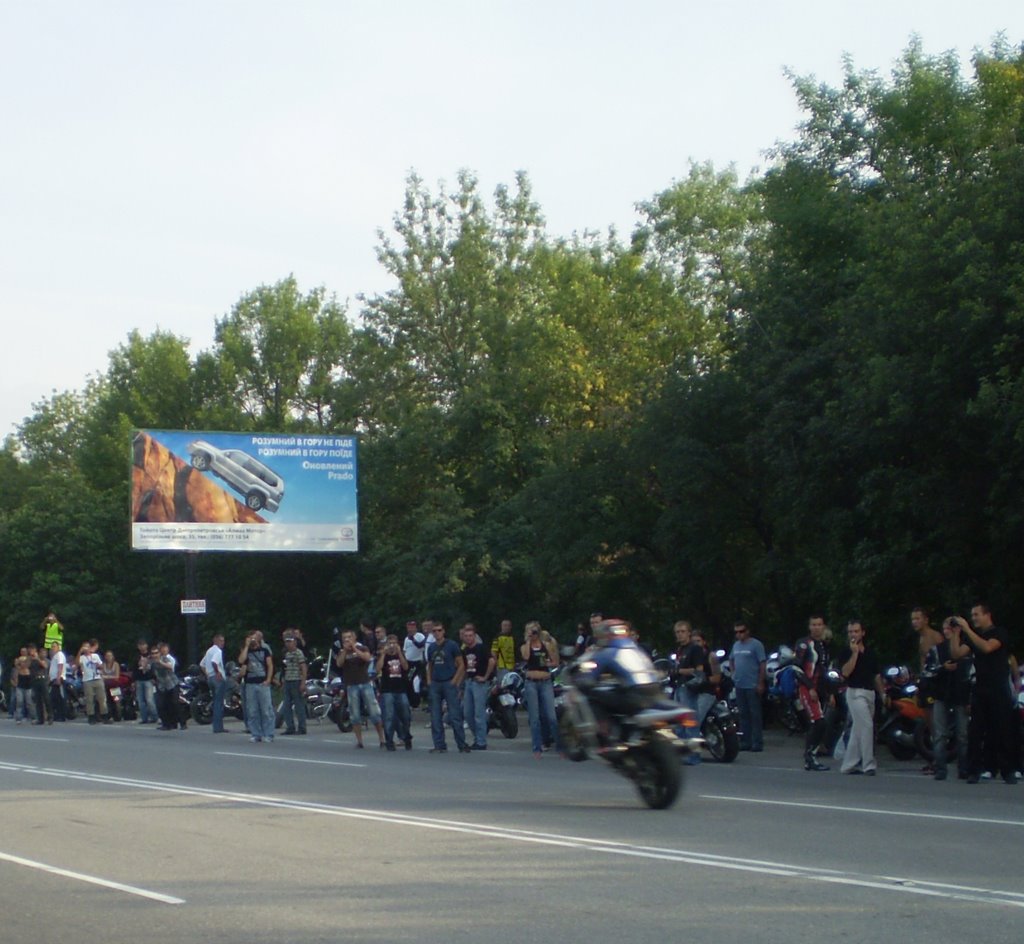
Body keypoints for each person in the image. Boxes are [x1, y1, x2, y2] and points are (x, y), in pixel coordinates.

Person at [949, 604, 1017, 784]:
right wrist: (955, 633)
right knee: (976, 730)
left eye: (977, 614)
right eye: (972, 615)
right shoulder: (973, 636)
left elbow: (987, 647)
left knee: (1002, 729)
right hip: (980, 687)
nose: (974, 618)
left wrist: (967, 629)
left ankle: (1007, 770)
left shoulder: (999, 632)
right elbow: (957, 653)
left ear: (987, 615)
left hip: (998, 687)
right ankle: (974, 770)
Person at [836, 620, 886, 775]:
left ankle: (848, 765)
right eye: (850, 632)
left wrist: (882, 693)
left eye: (856, 631)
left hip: (869, 693)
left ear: (862, 633)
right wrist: (854, 653)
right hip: (855, 693)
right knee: (866, 727)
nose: (853, 634)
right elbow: (845, 672)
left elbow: (876, 675)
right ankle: (868, 764)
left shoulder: (870, 653)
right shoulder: (846, 652)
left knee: (859, 729)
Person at [924, 618, 971, 781]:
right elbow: (927, 672)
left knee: (963, 734)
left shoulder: (966, 649)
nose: (947, 631)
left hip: (961, 696)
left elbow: (972, 675)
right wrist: (943, 668)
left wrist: (970, 698)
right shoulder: (936, 650)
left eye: (951, 627)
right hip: (941, 695)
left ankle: (964, 768)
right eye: (945, 628)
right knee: (939, 734)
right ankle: (940, 768)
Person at [334, 630, 385, 749]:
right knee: (354, 714)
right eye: (344, 638)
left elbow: (367, 658)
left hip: (365, 683)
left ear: (354, 638)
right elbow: (339, 664)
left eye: (349, 637)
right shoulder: (343, 652)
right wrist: (345, 651)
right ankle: (360, 741)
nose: (347, 640)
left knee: (374, 712)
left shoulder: (362, 647)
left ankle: (382, 739)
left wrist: (355, 649)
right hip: (351, 685)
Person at [795, 615, 832, 771]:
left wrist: (830, 692)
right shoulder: (804, 644)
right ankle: (810, 757)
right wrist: (810, 687)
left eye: (819, 625)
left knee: (820, 722)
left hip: (820, 689)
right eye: (813, 625)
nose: (817, 627)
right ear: (809, 627)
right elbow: (797, 668)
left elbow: (824, 670)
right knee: (818, 722)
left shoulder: (823, 645)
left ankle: (811, 756)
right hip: (807, 688)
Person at [425, 622, 469, 754]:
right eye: (434, 631)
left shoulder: (452, 645)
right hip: (436, 682)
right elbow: (430, 665)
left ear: (443, 631)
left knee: (455, 715)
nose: (437, 633)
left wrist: (455, 681)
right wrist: (429, 681)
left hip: (449, 681)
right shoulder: (431, 647)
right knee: (435, 716)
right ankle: (439, 745)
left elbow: (461, 664)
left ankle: (462, 744)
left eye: (439, 630)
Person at [521, 621, 560, 759]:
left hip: (545, 681)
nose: (533, 634)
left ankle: (560, 746)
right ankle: (537, 747)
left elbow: (555, 662)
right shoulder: (525, 646)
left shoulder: (546, 645)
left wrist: (546, 662)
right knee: (535, 717)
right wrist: (527, 640)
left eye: (535, 631)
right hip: (531, 682)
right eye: (530, 631)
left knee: (551, 716)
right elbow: (525, 657)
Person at [728, 621, 766, 752]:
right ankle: (745, 741)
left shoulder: (756, 644)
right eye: (736, 632)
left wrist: (760, 682)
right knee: (743, 714)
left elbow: (762, 663)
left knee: (755, 714)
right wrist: (733, 673)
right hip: (740, 684)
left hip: (752, 684)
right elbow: (731, 659)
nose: (739, 634)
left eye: (741, 631)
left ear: (747, 631)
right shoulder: (736, 645)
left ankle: (757, 742)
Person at [461, 625, 495, 750]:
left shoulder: (481, 648)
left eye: (471, 636)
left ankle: (481, 741)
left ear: (475, 636)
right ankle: (478, 736)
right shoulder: (465, 651)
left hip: (479, 682)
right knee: (467, 712)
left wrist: (485, 677)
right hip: (469, 682)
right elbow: (464, 668)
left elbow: (492, 661)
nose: (468, 638)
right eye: (466, 636)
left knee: (479, 713)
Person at [377, 634, 413, 750]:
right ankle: (389, 740)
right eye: (389, 643)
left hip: (400, 689)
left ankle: (406, 736)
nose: (392, 646)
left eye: (394, 643)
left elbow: (406, 667)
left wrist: (399, 653)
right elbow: (377, 669)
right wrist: (383, 654)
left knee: (405, 715)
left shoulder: (400, 655)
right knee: (389, 716)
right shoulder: (384, 656)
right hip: (387, 690)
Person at [240, 630, 275, 743]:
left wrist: (268, 680)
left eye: (254, 638)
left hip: (262, 683)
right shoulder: (247, 652)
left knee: (266, 710)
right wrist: (246, 646)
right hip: (250, 683)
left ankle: (268, 734)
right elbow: (241, 660)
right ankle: (256, 733)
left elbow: (270, 665)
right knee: (252, 710)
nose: (252, 640)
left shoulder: (264, 651)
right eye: (250, 638)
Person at [151, 641, 185, 730]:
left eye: (156, 653)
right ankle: (167, 724)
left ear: (159, 653)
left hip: (172, 684)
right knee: (162, 705)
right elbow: (146, 669)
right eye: (153, 653)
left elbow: (170, 667)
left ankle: (182, 723)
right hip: (162, 685)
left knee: (175, 703)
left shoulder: (164, 659)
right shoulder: (152, 662)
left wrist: (160, 662)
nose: (155, 655)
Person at [279, 633, 308, 735]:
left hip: (296, 680)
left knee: (299, 705)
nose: (288, 644)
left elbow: (303, 667)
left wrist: (303, 682)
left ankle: (302, 727)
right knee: (286, 705)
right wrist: (282, 680)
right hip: (287, 680)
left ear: (295, 642)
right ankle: (290, 727)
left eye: (290, 641)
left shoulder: (298, 653)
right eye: (286, 642)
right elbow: (284, 668)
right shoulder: (286, 654)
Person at [201, 633, 229, 733]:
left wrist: (208, 674)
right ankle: (218, 727)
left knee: (215, 701)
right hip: (217, 678)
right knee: (219, 702)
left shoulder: (209, 650)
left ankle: (216, 725)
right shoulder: (217, 651)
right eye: (221, 641)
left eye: (223, 641)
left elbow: (202, 664)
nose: (223, 643)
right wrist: (217, 672)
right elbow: (214, 662)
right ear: (216, 641)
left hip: (210, 678)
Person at [78, 639, 110, 725]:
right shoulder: (82, 657)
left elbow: (102, 666)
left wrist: (99, 666)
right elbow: (77, 663)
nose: (86, 649)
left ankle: (104, 716)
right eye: (84, 647)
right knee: (89, 699)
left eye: (87, 647)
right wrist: (79, 652)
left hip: (97, 678)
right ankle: (91, 716)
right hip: (87, 680)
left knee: (102, 698)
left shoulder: (95, 656)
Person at [403, 620, 428, 708]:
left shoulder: (419, 636)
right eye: (409, 627)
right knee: (407, 681)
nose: (410, 629)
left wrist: (413, 639)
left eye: (412, 627)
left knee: (414, 681)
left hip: (416, 662)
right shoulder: (406, 638)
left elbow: (420, 645)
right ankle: (410, 700)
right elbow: (405, 650)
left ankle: (415, 701)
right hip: (408, 662)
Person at [133, 639, 158, 724]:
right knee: (140, 701)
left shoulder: (151, 656)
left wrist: (154, 678)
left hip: (148, 680)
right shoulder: (136, 656)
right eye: (140, 645)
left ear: (146, 645)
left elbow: (154, 668)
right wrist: (134, 680)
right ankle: (144, 718)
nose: (142, 646)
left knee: (149, 700)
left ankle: (155, 717)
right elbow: (134, 669)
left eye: (143, 644)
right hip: (139, 680)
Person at [912, 607, 943, 672]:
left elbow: (943, 658)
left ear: (926, 620)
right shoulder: (920, 637)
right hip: (925, 675)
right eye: (913, 619)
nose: (914, 622)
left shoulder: (935, 636)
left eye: (917, 619)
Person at [27, 644, 51, 725]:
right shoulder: (30, 659)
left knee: (46, 699)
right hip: (35, 680)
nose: (31, 652)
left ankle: (50, 716)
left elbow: (45, 666)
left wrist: (37, 658)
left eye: (32, 650)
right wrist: (30, 658)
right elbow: (26, 666)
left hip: (42, 680)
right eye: (30, 650)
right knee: (38, 700)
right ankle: (41, 719)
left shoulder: (42, 659)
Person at [490, 619, 517, 685]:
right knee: (502, 684)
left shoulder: (512, 637)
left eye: (508, 625)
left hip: (512, 666)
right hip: (502, 666)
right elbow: (493, 651)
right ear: (501, 626)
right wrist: (497, 664)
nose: (507, 627)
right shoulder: (498, 637)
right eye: (505, 625)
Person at [48, 640, 67, 722]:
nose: (53, 648)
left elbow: (60, 666)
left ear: (58, 647)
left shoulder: (59, 655)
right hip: (53, 679)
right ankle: (57, 715)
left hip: (58, 679)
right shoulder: (54, 656)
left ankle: (62, 716)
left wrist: (58, 678)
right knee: (54, 698)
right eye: (52, 647)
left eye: (54, 646)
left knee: (60, 698)